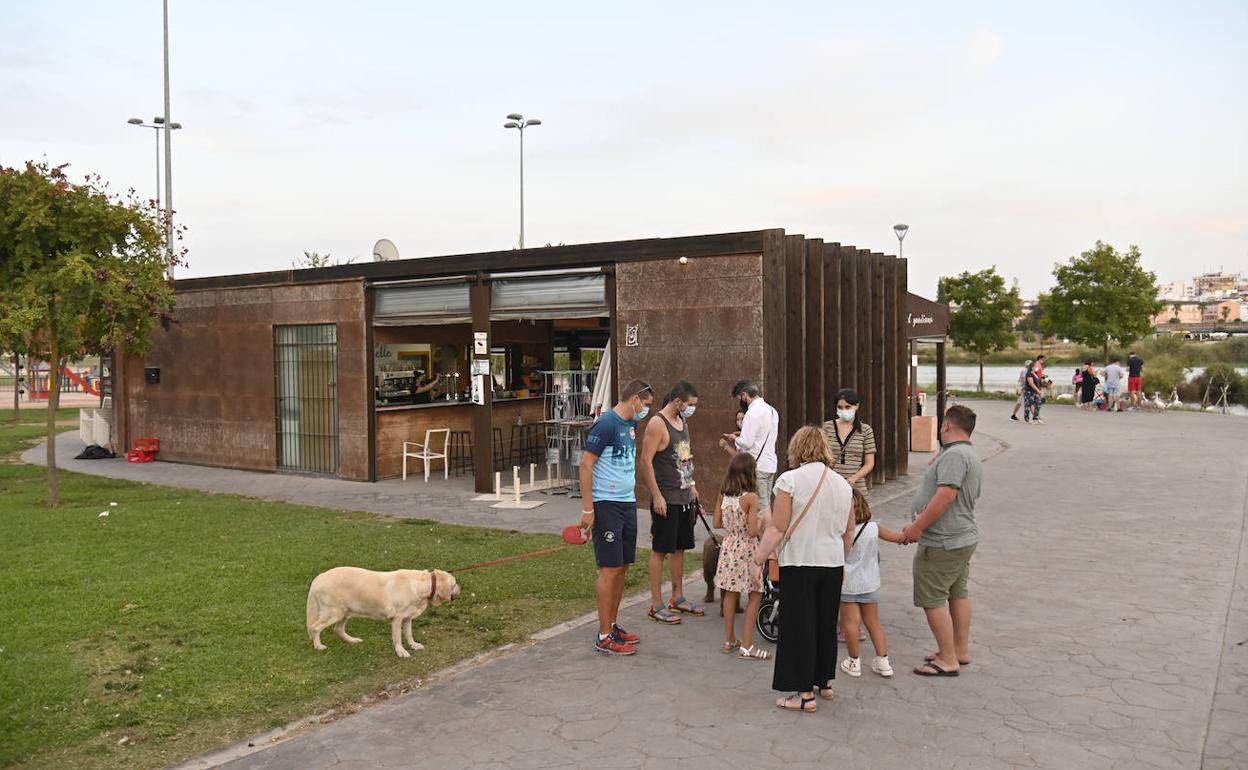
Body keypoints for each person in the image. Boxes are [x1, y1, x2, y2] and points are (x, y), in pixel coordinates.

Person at [753, 427, 855, 712]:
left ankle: (803, 694)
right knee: (824, 624)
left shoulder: (789, 480)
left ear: (797, 448)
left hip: (800, 561)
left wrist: (758, 559)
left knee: (800, 626)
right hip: (832, 562)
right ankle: (824, 682)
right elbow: (849, 531)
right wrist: (843, 559)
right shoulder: (843, 485)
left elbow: (777, 527)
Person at [900, 405, 982, 677]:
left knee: (932, 598)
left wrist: (916, 527)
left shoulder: (955, 456)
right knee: (957, 593)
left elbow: (945, 496)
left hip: (944, 540)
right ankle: (958, 649)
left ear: (946, 426)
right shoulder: (964, 453)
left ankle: (948, 659)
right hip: (961, 537)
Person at [579, 379, 655, 656]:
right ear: (634, 399)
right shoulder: (606, 424)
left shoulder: (631, 425)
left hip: (627, 504)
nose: (646, 410)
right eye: (645, 405)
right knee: (609, 569)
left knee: (622, 566)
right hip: (606, 504)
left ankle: (612, 624)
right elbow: (586, 465)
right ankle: (603, 635)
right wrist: (589, 509)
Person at [639, 381, 703, 624]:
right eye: (690, 405)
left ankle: (677, 596)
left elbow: (685, 456)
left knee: (680, 548)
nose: (691, 409)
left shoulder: (682, 421)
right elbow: (645, 462)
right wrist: (657, 496)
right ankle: (656, 604)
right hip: (666, 498)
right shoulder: (657, 423)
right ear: (678, 401)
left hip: (684, 496)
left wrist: (693, 485)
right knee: (660, 550)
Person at [839, 488, 907, 679]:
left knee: (851, 624)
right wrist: (910, 532)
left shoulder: (841, 530)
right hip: (869, 582)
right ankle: (883, 661)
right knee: (874, 623)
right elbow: (899, 539)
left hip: (846, 583)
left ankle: (854, 662)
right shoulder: (874, 527)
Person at [713, 452, 770, 660]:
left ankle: (730, 640)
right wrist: (763, 520)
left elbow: (717, 523)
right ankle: (747, 646)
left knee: (730, 593)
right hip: (747, 548)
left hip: (729, 546)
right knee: (754, 594)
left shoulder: (724, 495)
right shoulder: (751, 498)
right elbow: (753, 531)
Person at [724, 381, 779, 511]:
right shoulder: (772, 410)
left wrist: (736, 439)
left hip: (756, 466)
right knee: (765, 504)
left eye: (739, 399)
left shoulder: (752, 413)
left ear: (744, 395)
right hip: (770, 464)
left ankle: (764, 531)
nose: (741, 402)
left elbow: (746, 442)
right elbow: (762, 435)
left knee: (760, 509)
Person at [822, 388, 876, 496]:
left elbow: (870, 463)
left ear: (856, 406)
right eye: (840, 407)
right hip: (831, 485)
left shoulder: (865, 430)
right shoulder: (827, 427)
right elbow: (821, 456)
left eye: (847, 407)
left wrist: (854, 478)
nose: (844, 410)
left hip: (856, 486)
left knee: (857, 512)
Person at [1023, 360, 1044, 425]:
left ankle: (1035, 418)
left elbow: (1038, 382)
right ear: (1032, 367)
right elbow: (1031, 384)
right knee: (1028, 405)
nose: (1036, 367)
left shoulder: (1035, 373)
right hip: (1029, 392)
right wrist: (1038, 390)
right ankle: (1027, 419)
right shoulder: (1029, 374)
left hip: (1035, 392)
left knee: (1038, 404)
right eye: (1035, 366)